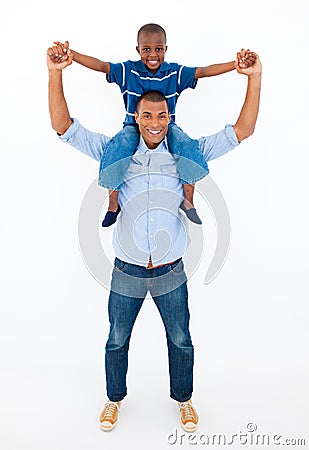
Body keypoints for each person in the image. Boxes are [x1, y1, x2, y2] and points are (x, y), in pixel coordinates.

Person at [47, 43, 262, 432]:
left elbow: (242, 131)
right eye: (147, 115)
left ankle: (184, 400)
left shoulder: (186, 154)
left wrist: (253, 78)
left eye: (161, 115)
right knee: (116, 340)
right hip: (126, 270)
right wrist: (57, 72)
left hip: (171, 270)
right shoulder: (115, 154)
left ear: (169, 116)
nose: (154, 122)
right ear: (136, 115)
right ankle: (114, 399)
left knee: (180, 340)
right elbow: (64, 128)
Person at [50, 24, 255, 226]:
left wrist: (234, 65)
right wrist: (72, 55)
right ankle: (113, 203)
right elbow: (102, 66)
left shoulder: (174, 73)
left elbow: (204, 71)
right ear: (138, 49)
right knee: (119, 148)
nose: (153, 54)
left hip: (170, 128)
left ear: (166, 49)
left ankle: (189, 200)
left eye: (159, 49)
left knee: (186, 146)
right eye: (146, 49)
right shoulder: (128, 71)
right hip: (132, 127)